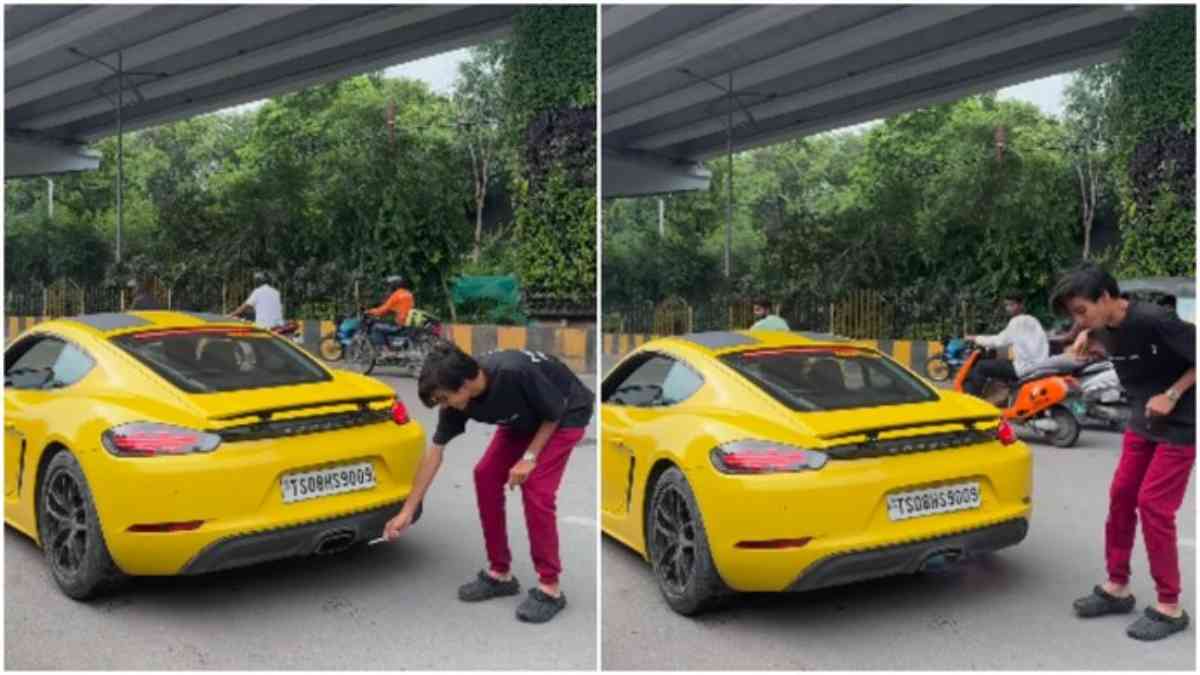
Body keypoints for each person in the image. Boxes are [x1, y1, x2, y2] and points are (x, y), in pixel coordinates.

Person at [381, 341, 594, 624]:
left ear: (465, 384)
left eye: (444, 398)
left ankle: (550, 588)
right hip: (522, 419)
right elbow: (435, 453)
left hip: (565, 413)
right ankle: (500, 573)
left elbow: (554, 411)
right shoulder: (457, 400)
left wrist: (529, 457)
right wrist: (407, 510)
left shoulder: (512, 372)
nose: (444, 406)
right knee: (485, 475)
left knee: (537, 490)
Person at [1052, 263, 1195, 641]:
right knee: (1121, 496)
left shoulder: (1155, 319)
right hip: (1141, 421)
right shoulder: (1100, 326)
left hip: (1180, 425)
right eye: (1073, 315)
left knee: (1153, 505)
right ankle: (1118, 586)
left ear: (1106, 298)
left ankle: (1170, 606)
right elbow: (1100, 338)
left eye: (1081, 310)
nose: (1078, 320)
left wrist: (1173, 394)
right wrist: (1086, 337)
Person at [963, 292, 1049, 398]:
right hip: (1039, 365)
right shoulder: (1033, 320)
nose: (1008, 308)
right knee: (1002, 362)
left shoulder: (1017, 321)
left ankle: (970, 400)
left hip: (1024, 368)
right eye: (1007, 305)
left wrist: (975, 338)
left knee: (981, 366)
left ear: (1021, 305)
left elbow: (998, 341)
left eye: (1012, 305)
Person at [366, 275, 414, 348]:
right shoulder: (408, 294)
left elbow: (382, 310)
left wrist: (369, 311)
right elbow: (397, 308)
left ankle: (384, 351)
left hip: (400, 323)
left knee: (376, 327)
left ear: (395, 285)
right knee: (386, 324)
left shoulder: (397, 295)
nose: (389, 288)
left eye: (390, 285)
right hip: (407, 323)